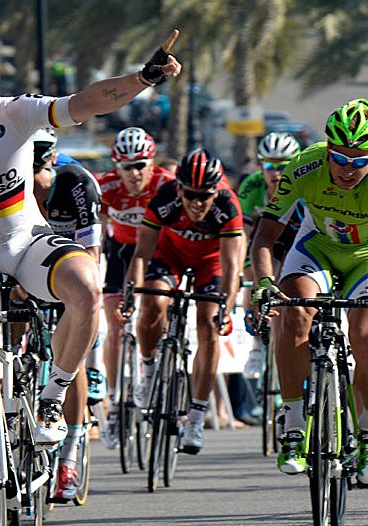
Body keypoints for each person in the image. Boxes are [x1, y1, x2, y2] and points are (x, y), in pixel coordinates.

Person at [0, 31, 181, 526]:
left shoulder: (19, 114)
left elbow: (89, 102)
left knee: (87, 287)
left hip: (26, 242)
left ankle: (53, 398)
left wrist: (143, 78)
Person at [252, 98, 368, 486]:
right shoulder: (304, 165)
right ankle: (295, 426)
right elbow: (265, 237)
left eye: (359, 161)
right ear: (328, 151)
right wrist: (264, 283)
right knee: (295, 313)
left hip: (365, 259)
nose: (348, 169)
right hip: (316, 247)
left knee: (367, 338)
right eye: (340, 158)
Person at [122, 147, 244, 454]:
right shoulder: (165, 198)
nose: (198, 203)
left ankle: (196, 416)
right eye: (191, 195)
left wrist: (226, 311)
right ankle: (149, 369)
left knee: (209, 326)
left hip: (211, 263)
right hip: (170, 255)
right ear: (180, 189)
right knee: (152, 303)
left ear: (217, 192)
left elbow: (232, 269)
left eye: (205, 195)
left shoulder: (228, 207)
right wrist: (131, 294)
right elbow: (141, 255)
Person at [29, 127, 103, 500]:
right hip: (31, 261)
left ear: (51, 162)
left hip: (72, 261)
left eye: (38, 173)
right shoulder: (10, 184)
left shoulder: (77, 184)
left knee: (68, 352)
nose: (34, 184)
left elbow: (92, 256)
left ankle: (69, 458)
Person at [96, 126, 173, 448]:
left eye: (141, 164)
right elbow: (92, 225)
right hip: (122, 252)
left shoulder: (165, 184)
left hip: (160, 253)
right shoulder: (106, 186)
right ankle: (114, 405)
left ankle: (149, 362)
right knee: (115, 327)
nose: (134, 173)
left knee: (157, 311)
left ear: (152, 162)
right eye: (127, 166)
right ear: (117, 166)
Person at [237, 132, 302, 384]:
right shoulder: (252, 186)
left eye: (283, 166)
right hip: (265, 242)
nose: (275, 173)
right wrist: (243, 268)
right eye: (269, 165)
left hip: (296, 240)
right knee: (255, 276)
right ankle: (256, 343)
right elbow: (243, 233)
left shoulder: (302, 184)